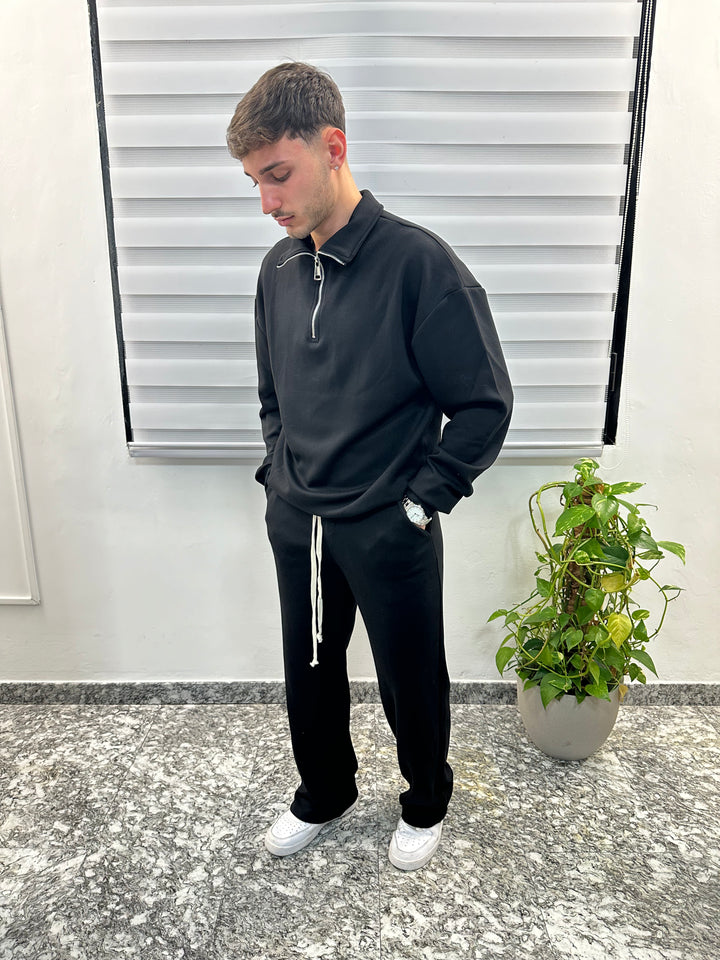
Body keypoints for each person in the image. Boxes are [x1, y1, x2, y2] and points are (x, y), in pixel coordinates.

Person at [227, 62, 513, 871]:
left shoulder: (419, 264)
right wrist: (280, 481)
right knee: (310, 670)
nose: (267, 201)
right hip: (301, 519)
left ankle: (425, 801)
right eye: (254, 182)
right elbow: (273, 393)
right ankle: (325, 792)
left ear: (334, 147)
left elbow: (485, 403)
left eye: (278, 174)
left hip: (390, 523)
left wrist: (419, 503)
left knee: (409, 675)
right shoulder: (277, 269)